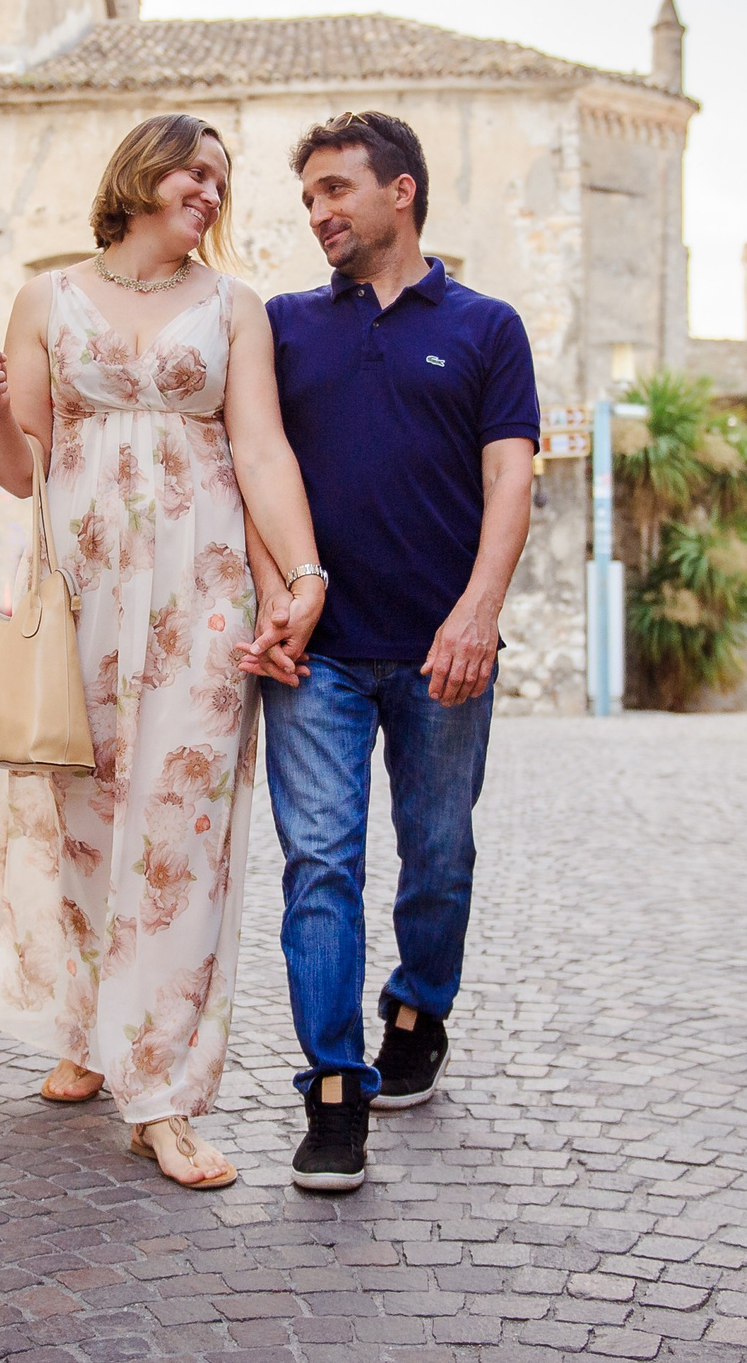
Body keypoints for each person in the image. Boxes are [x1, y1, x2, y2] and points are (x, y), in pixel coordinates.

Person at [0, 113, 326, 1191]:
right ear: (138, 177)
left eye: (220, 177)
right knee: (78, 817)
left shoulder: (233, 308)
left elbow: (259, 446)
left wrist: (301, 578)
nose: (208, 189)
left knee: (180, 835)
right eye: (189, 169)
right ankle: (85, 1029)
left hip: (200, 597)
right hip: (78, 595)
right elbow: (23, 468)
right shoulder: (46, 299)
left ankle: (159, 1094)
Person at [240, 110, 538, 1193]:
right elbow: (250, 466)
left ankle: (417, 1003)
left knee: (439, 851)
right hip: (314, 657)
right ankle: (332, 1090)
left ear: (398, 192)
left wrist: (476, 613)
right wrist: (278, 598)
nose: (317, 212)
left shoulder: (487, 327)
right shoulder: (280, 325)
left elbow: (510, 479)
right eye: (309, 196)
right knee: (318, 863)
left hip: (439, 651)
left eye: (334, 190)